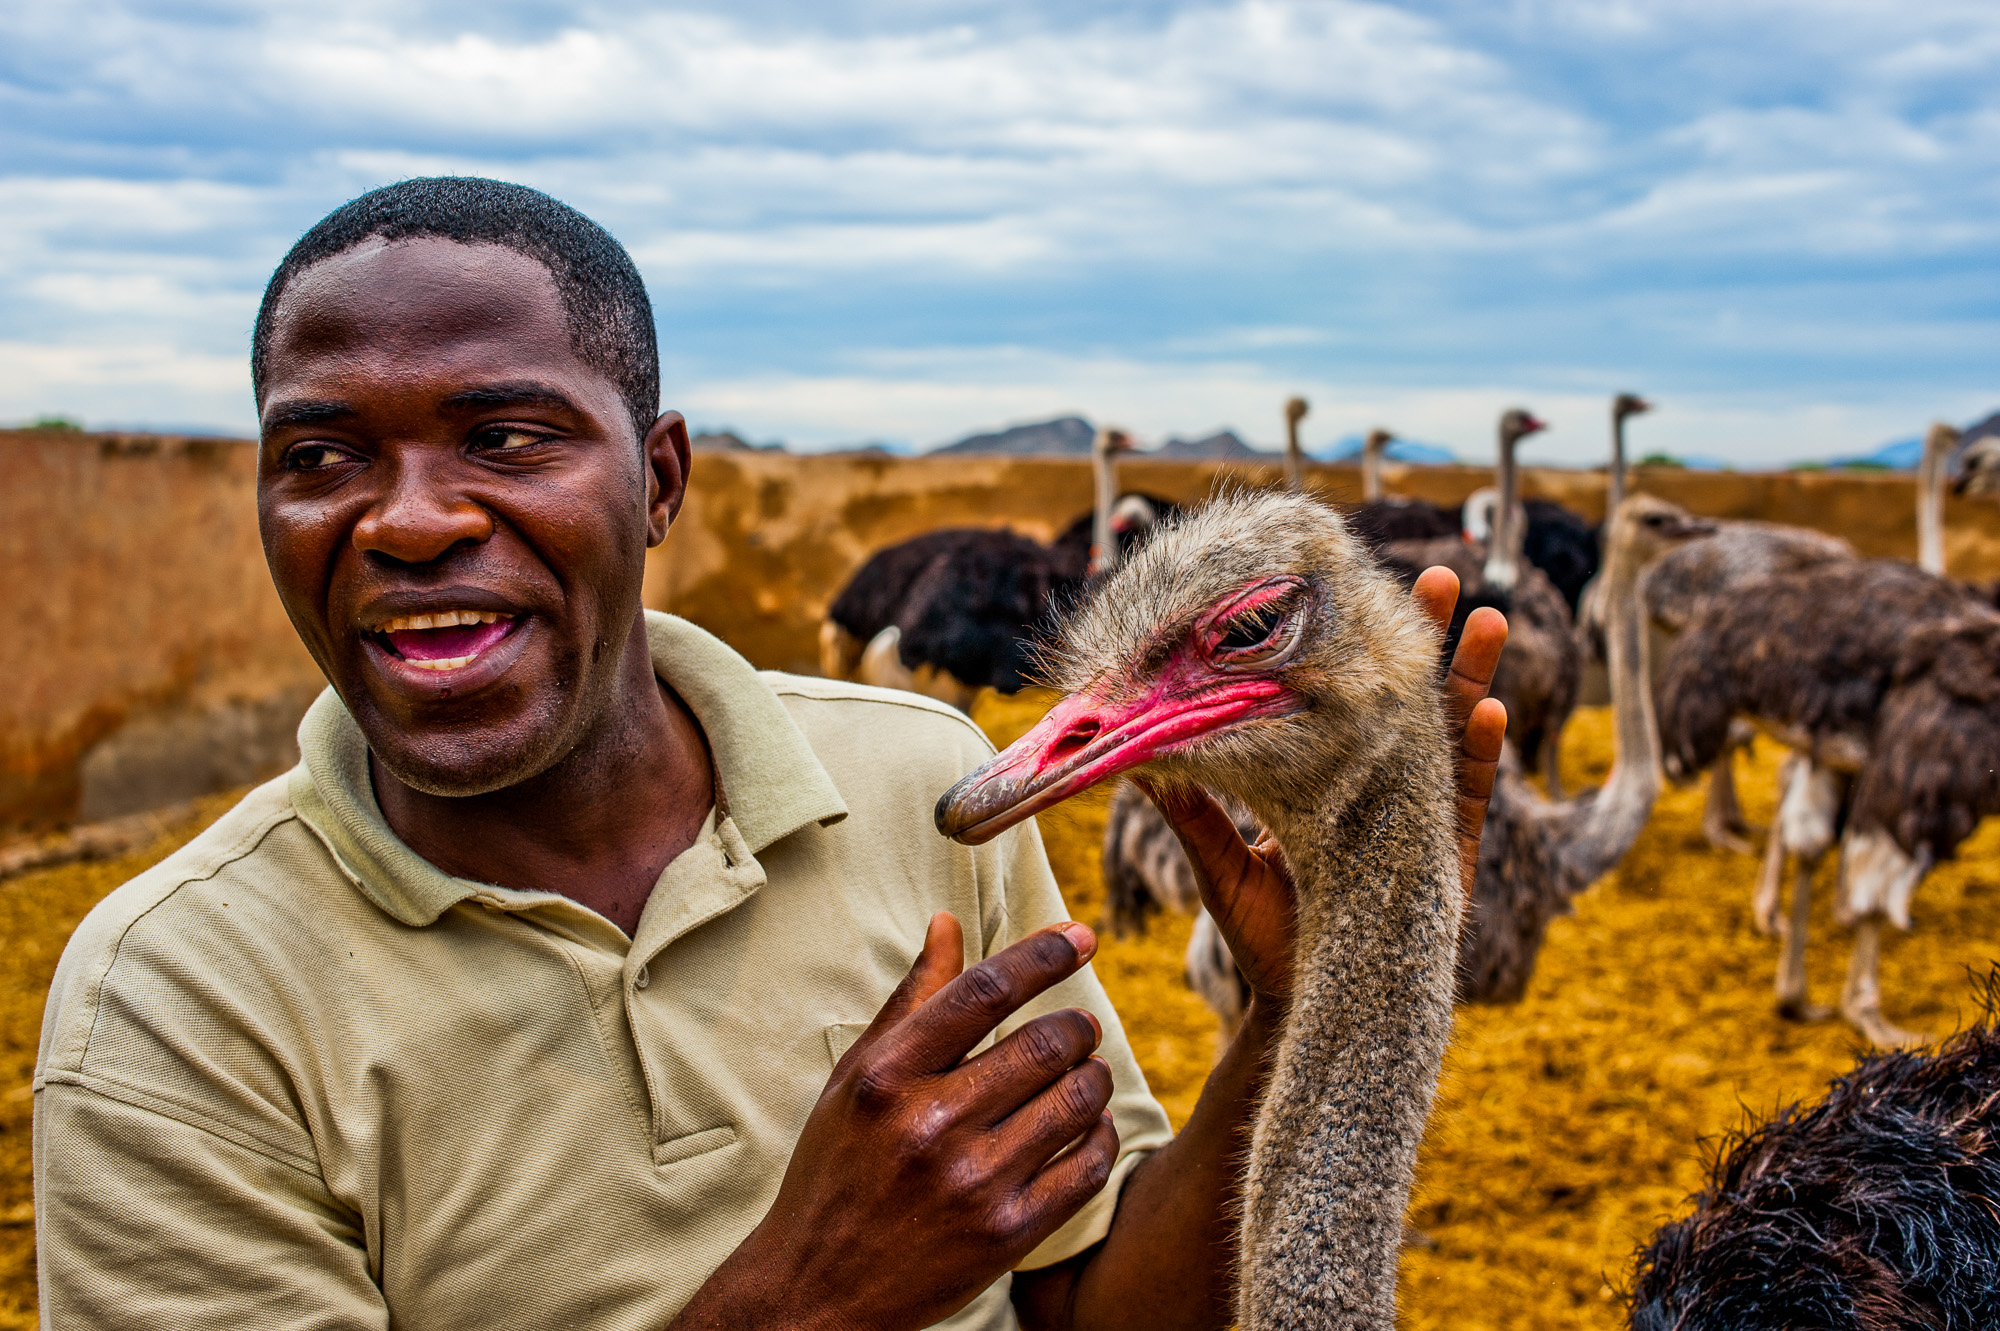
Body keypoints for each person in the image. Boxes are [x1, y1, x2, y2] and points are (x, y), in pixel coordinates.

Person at [33, 178, 1508, 1330]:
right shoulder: (169, 1006)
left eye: (505, 438)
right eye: (320, 458)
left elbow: (1087, 1301)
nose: (409, 520)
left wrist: (1296, 1012)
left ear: (658, 480)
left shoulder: (918, 791)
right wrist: (809, 1300)